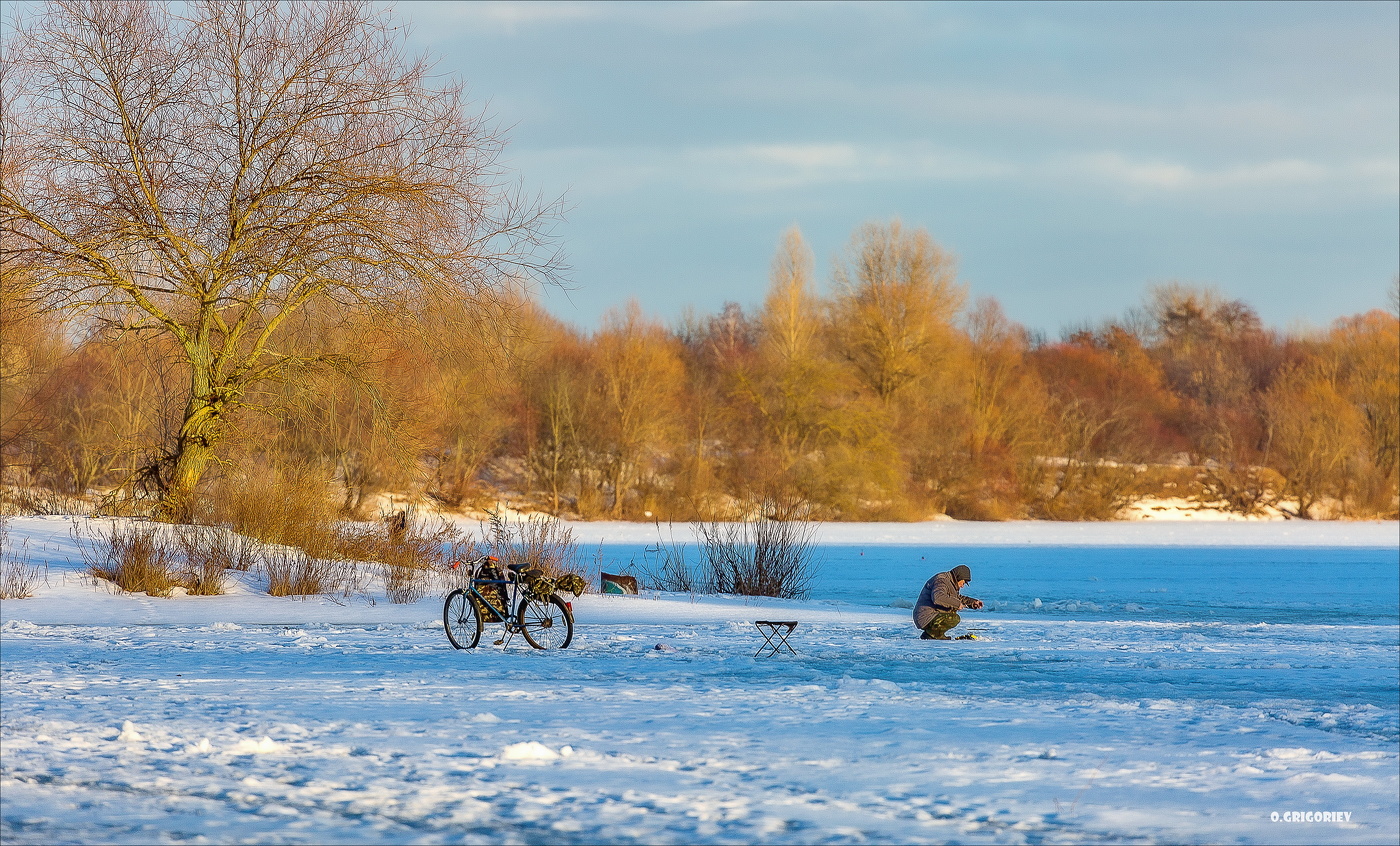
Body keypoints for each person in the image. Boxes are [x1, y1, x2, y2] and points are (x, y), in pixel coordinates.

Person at [913, 564, 983, 640]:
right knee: (954, 618)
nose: (962, 586)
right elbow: (938, 597)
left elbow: (956, 598)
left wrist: (972, 603)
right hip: (925, 616)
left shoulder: (950, 582)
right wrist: (957, 604)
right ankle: (931, 635)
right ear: (959, 577)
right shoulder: (941, 580)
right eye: (963, 582)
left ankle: (935, 634)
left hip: (929, 615)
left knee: (952, 613)